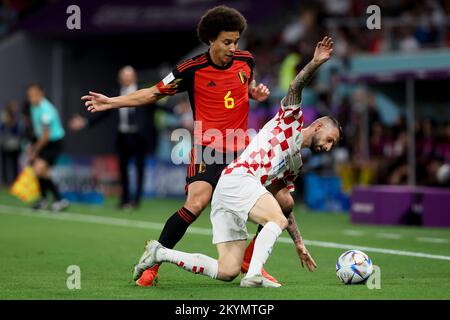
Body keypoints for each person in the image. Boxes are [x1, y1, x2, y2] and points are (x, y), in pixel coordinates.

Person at [82, 5, 289, 286]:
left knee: (276, 205)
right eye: (227, 42)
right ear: (211, 40)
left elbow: (246, 87)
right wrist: (111, 102)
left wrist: (254, 92)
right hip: (208, 149)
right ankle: (154, 263)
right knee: (196, 203)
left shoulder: (246, 60)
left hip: (242, 152)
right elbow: (153, 93)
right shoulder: (191, 69)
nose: (232, 47)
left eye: (236, 41)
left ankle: (251, 263)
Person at [133, 36, 339, 287]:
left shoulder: (295, 163)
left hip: (228, 191)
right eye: (329, 139)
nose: (328, 147)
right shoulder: (291, 121)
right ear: (317, 126)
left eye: (332, 145)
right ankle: (254, 274)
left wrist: (298, 243)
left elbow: (285, 203)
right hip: (240, 178)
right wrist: (315, 63)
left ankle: (159, 253)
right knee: (276, 220)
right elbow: (296, 87)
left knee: (226, 271)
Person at [70, 66, 155, 209]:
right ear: (120, 78)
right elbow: (103, 113)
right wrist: (86, 122)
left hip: (139, 137)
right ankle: (125, 200)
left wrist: (177, 110)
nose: (126, 78)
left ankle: (136, 201)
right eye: (124, 76)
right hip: (122, 136)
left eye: (129, 75)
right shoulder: (114, 95)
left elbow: (157, 105)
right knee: (122, 169)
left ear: (134, 77)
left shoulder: (143, 93)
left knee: (140, 168)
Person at [27, 84, 69, 212]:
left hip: (53, 143)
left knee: (39, 169)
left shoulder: (46, 109)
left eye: (33, 94)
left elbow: (46, 135)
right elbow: (38, 130)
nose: (31, 97)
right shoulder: (34, 107)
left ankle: (57, 199)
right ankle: (51, 199)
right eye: (29, 95)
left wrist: (34, 149)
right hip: (44, 143)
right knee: (41, 171)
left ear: (41, 94)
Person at [0, 100, 23, 186]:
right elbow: (2, 129)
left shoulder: (17, 117)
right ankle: (5, 181)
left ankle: (15, 181)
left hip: (15, 144)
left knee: (14, 163)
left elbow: (18, 131)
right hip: (5, 144)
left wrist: (13, 125)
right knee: (4, 163)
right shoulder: (4, 115)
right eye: (13, 106)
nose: (15, 108)